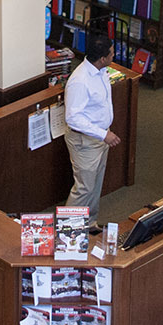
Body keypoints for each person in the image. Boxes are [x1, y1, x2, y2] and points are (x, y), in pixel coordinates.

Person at [63, 19, 120, 214]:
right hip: (85, 141)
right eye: (112, 53)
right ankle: (66, 231)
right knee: (84, 189)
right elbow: (72, 117)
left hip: (101, 136)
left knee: (96, 184)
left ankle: (89, 224)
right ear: (103, 58)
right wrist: (103, 134)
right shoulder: (79, 81)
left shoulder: (101, 70)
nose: (115, 54)